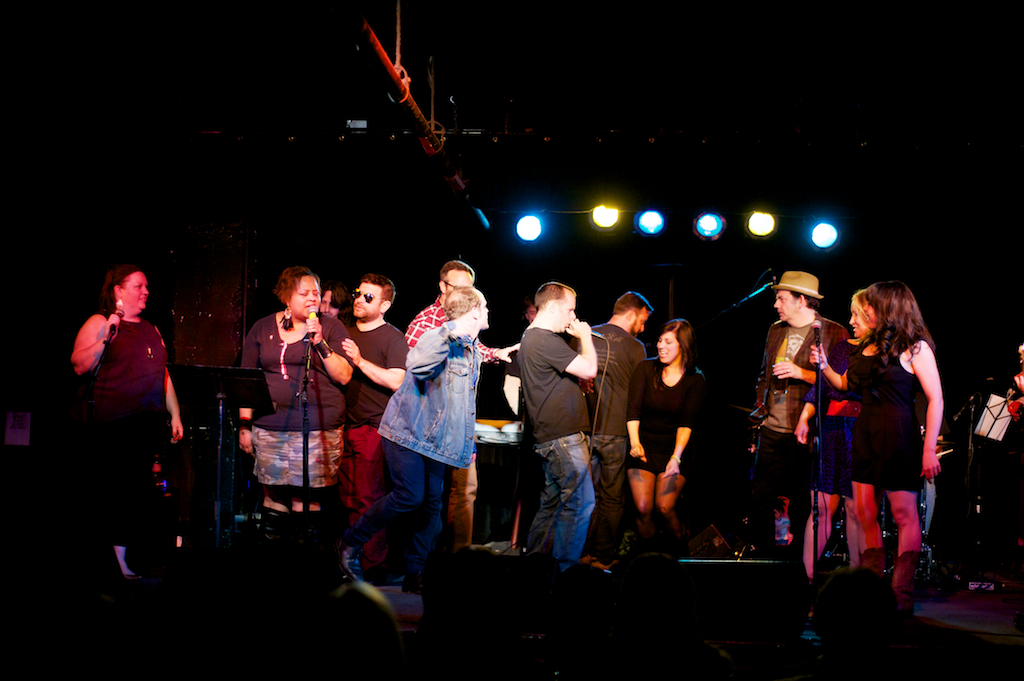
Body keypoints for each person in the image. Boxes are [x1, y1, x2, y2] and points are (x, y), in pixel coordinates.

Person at [338, 286, 490, 594]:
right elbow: (418, 366)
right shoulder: (439, 337)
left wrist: (465, 443)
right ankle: (348, 542)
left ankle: (415, 572)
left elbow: (463, 403)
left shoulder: (470, 347)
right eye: (484, 308)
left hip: (436, 440)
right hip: (407, 432)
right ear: (474, 311)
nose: (487, 312)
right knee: (410, 496)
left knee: (431, 504)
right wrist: (448, 332)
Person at [813, 281, 944, 615]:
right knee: (865, 512)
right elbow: (848, 385)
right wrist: (825, 366)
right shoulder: (865, 346)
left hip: (898, 434)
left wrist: (929, 449)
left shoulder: (915, 348)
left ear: (887, 307)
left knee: (903, 514)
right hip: (865, 432)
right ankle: (873, 591)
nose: (864, 311)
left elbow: (935, 398)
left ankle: (901, 593)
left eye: (870, 305)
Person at [71, 264, 184, 579]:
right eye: (138, 286)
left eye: (147, 286)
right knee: (112, 493)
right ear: (118, 290)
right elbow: (79, 365)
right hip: (110, 425)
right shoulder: (100, 322)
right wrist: (109, 332)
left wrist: (174, 413)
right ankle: (105, 564)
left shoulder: (151, 328)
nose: (146, 291)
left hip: (144, 425)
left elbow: (162, 375)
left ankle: (124, 561)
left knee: (134, 495)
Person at [405, 260, 517, 552]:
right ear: (442, 287)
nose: (466, 295)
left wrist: (497, 353)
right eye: (458, 288)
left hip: (461, 426)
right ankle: (421, 564)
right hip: (431, 427)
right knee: (429, 498)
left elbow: (477, 350)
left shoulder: (469, 323)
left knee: (467, 490)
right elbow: (412, 370)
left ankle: (460, 558)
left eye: (470, 289)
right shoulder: (427, 323)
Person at [238, 266, 353, 540]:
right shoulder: (262, 327)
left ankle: (305, 569)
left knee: (308, 497)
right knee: (273, 493)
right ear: (287, 298)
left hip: (316, 428)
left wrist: (321, 342)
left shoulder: (332, 327)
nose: (313, 298)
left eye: (316, 292)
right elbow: (246, 380)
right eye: (304, 293)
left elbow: (345, 375)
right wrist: (244, 425)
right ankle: (275, 567)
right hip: (270, 426)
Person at [750, 271, 849, 559]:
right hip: (771, 428)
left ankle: (798, 564)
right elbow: (763, 375)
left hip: (808, 431)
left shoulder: (833, 332)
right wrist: (760, 414)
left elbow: (839, 384)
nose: (776, 305)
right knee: (761, 497)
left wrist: (801, 373)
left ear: (801, 300)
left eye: (781, 299)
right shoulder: (775, 329)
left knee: (804, 502)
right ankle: (765, 560)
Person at [519, 282, 598, 572]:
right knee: (579, 504)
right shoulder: (543, 338)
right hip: (563, 439)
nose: (572, 317)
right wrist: (586, 337)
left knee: (552, 506)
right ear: (552, 307)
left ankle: (534, 571)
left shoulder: (534, 337)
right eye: (570, 309)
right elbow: (590, 368)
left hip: (552, 438)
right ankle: (564, 574)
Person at [338, 274, 408, 584]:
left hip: (374, 427)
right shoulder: (346, 332)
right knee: (348, 498)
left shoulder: (392, 337)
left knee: (369, 497)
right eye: (358, 293)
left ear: (384, 305)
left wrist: (360, 361)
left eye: (368, 297)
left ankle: (372, 566)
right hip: (345, 426)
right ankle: (350, 562)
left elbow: (397, 381)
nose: (358, 299)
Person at [795, 289, 869, 582]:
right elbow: (822, 388)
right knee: (823, 506)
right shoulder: (841, 349)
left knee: (855, 509)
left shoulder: (882, 354)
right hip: (833, 433)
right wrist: (804, 418)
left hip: (859, 434)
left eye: (856, 315)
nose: (851, 321)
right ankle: (807, 579)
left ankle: (856, 579)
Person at [578, 292, 652, 569]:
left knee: (585, 495)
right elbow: (638, 394)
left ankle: (580, 553)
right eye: (643, 320)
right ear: (631, 314)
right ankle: (603, 557)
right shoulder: (636, 347)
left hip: (584, 429)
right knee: (611, 498)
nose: (643, 328)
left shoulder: (586, 335)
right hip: (618, 432)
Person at [625, 319, 706, 553]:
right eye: (660, 340)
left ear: (683, 346)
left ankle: (680, 554)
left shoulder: (695, 380)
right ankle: (650, 558)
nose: (661, 345)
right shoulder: (645, 368)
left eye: (668, 342)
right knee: (642, 507)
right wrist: (635, 443)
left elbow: (686, 423)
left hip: (675, 451)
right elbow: (633, 410)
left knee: (664, 506)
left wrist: (676, 458)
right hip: (644, 447)